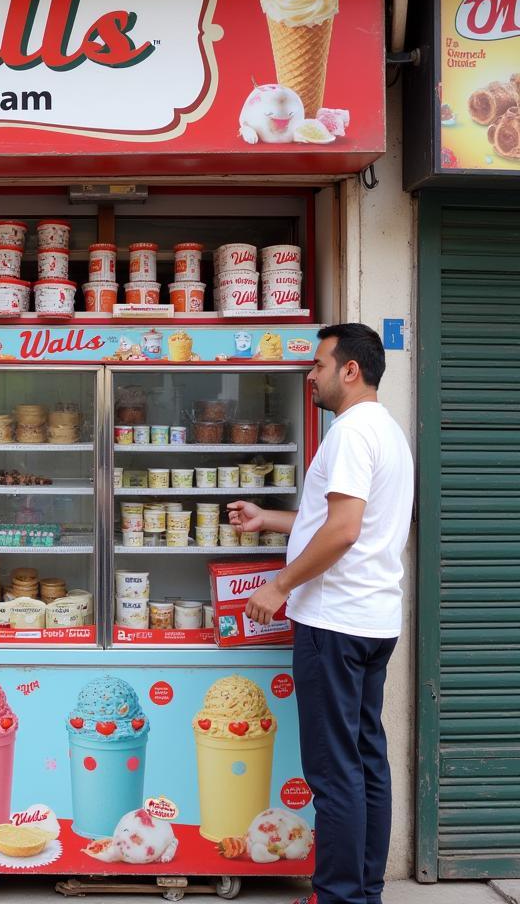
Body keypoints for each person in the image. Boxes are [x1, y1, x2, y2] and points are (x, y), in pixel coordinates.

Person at [227, 323, 413, 904]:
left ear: (349, 370)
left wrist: (280, 586)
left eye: (318, 364)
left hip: (333, 624)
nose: (310, 375)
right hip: (372, 621)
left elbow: (343, 530)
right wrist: (271, 519)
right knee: (365, 763)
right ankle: (365, 890)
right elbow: (342, 525)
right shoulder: (387, 431)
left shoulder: (351, 433)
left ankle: (338, 896)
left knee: (335, 774)